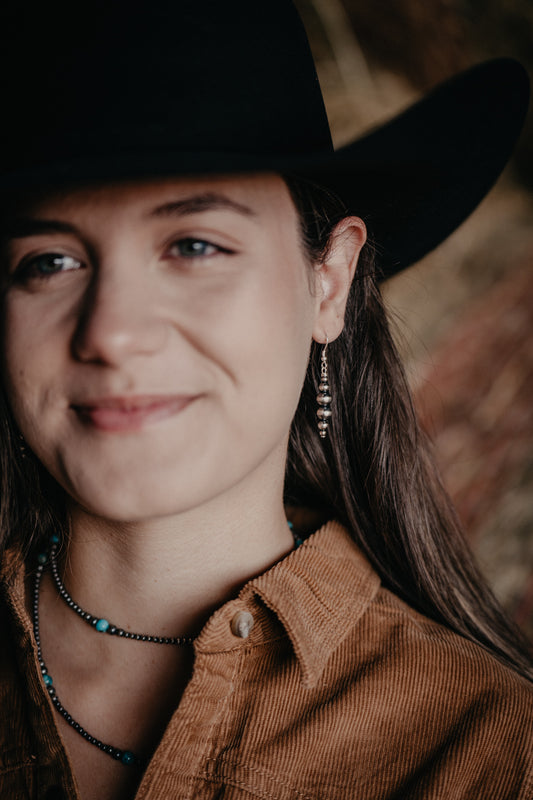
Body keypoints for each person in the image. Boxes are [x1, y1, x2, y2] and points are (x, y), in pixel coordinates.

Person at [0, 1, 531, 799]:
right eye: (48, 262)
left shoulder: (489, 756)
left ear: (330, 280)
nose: (111, 333)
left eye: (194, 246)